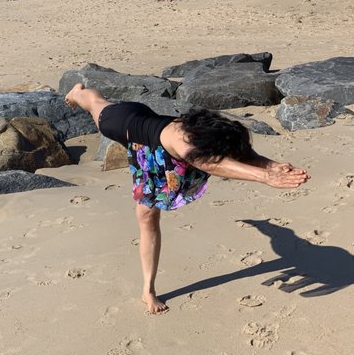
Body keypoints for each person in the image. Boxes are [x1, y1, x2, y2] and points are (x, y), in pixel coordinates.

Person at [65, 84, 310, 314]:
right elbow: (213, 165)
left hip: (150, 127)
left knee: (147, 214)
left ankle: (147, 289)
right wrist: (265, 176)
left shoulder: (209, 131)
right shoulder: (184, 143)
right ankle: (76, 91)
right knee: (95, 103)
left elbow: (238, 153)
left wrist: (272, 165)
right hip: (123, 124)